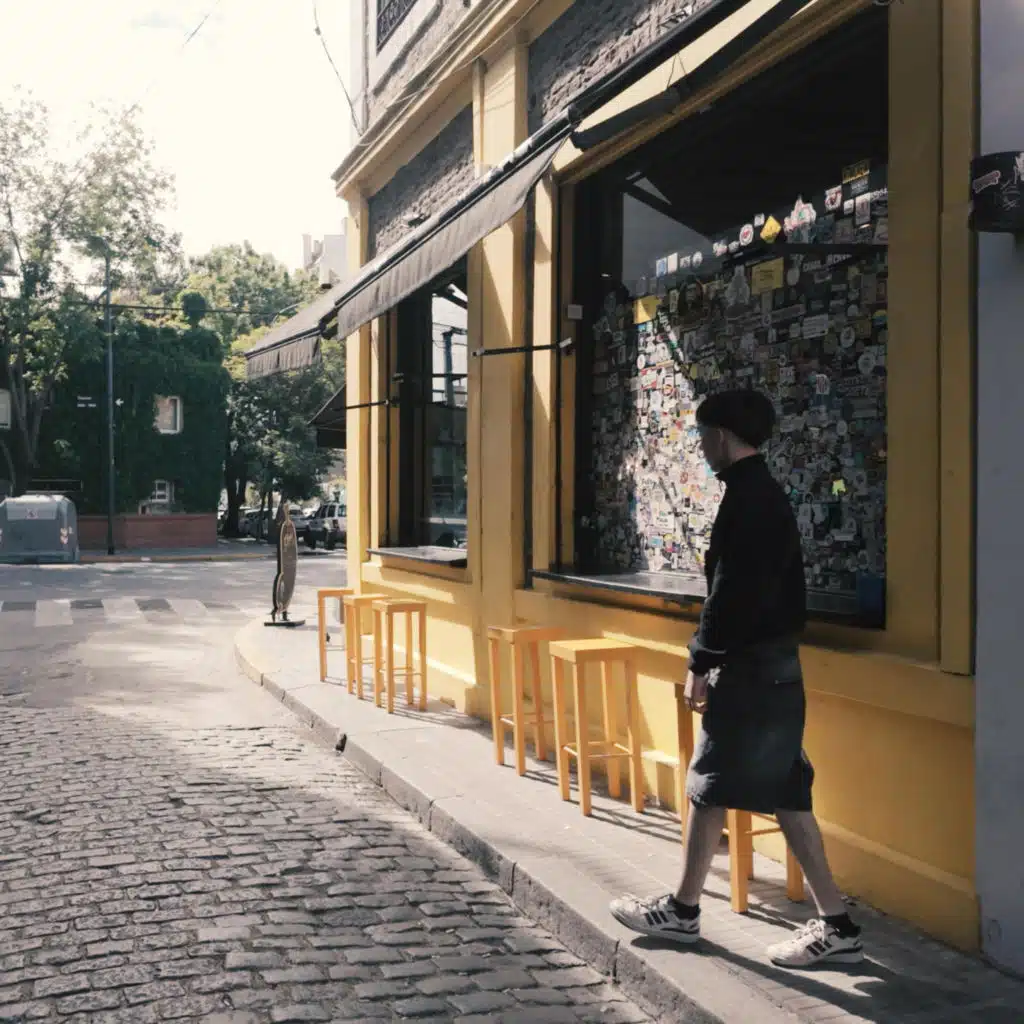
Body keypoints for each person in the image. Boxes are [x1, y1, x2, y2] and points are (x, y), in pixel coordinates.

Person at [609, 388, 863, 969]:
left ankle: (682, 912)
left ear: (721, 435)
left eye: (703, 435)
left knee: (708, 784)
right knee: (785, 793)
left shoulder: (749, 500)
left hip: (752, 669)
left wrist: (702, 659)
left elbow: (732, 592)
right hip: (774, 667)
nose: (701, 446)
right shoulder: (760, 494)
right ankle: (838, 927)